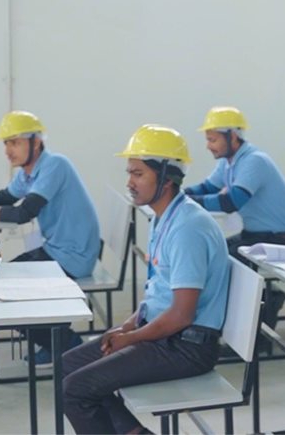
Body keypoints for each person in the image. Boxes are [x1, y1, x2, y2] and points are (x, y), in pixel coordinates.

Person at [61, 124, 231, 435]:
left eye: (138, 174)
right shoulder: (163, 217)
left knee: (77, 389)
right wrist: (129, 325)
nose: (130, 182)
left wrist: (134, 337)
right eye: (130, 173)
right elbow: (158, 291)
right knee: (69, 366)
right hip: (166, 334)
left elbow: (182, 314)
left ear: (166, 177)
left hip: (186, 347)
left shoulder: (188, 228)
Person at [0, 111, 97, 366]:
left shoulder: (55, 165)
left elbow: (23, 213)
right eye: (6, 143)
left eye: (15, 142)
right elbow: (5, 198)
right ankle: (55, 341)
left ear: (35, 142)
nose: (8, 151)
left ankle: (67, 345)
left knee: (6, 290)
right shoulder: (28, 172)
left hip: (74, 256)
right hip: (57, 249)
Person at [184, 106, 285, 331]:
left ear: (232, 136)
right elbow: (206, 188)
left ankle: (255, 317)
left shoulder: (254, 161)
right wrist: (178, 194)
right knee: (213, 254)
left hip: (277, 239)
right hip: (255, 234)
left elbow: (231, 202)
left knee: (220, 263)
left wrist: (187, 201)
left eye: (213, 140)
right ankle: (264, 302)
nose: (208, 146)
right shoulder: (228, 162)